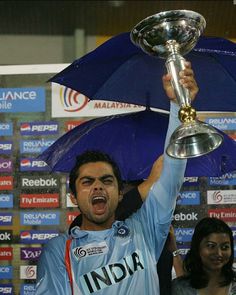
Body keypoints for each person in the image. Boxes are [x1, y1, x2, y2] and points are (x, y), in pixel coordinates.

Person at [35, 62, 198, 295]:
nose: (98, 186)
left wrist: (179, 103)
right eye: (87, 182)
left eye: (107, 180)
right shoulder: (59, 251)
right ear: (73, 196)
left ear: (120, 192)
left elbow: (172, 175)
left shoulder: (145, 229)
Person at [171, 217, 236, 295]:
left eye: (225, 247)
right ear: (197, 247)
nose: (219, 253)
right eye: (211, 246)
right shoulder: (180, 288)